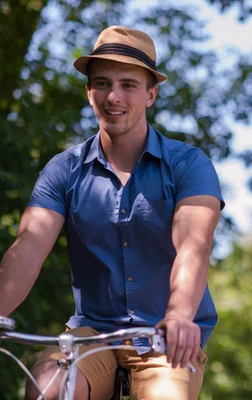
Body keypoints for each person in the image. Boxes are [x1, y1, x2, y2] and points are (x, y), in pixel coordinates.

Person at [0, 26, 224, 400]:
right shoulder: (64, 169)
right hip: (91, 334)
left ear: (151, 93)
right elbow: (27, 248)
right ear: (89, 92)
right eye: (102, 83)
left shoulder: (188, 165)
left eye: (129, 85)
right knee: (49, 387)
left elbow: (194, 246)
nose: (113, 96)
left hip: (165, 336)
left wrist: (180, 314)